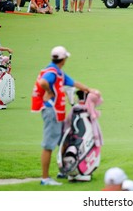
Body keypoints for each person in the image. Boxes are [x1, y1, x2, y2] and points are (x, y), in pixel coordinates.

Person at [31, 46, 100, 186]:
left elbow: (74, 83)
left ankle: (63, 171)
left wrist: (88, 89)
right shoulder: (52, 72)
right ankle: (45, 179)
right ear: (63, 59)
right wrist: (49, 92)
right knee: (48, 145)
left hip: (57, 113)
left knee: (63, 140)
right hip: (51, 112)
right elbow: (43, 82)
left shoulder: (58, 72)